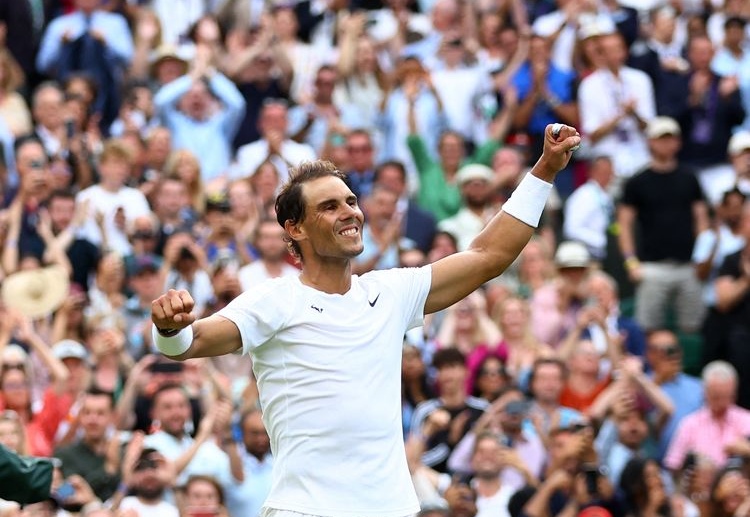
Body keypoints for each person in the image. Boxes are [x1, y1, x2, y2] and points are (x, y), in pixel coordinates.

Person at [150, 123, 581, 516]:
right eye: (330, 206)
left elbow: (490, 256)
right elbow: (192, 342)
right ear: (295, 228)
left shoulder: (389, 292)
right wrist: (170, 327)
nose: (350, 212)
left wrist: (544, 170)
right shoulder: (276, 298)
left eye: (351, 201)